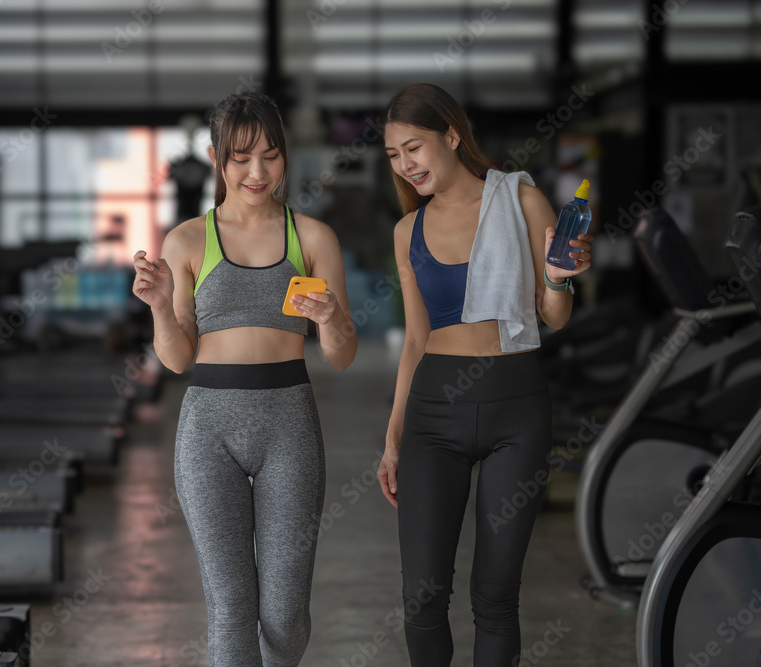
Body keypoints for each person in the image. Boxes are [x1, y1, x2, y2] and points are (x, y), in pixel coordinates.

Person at [132, 91, 357, 666]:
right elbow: (178, 359)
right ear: (216, 158)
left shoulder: (312, 238)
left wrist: (331, 319)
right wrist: (159, 305)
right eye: (241, 158)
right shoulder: (185, 241)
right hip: (209, 428)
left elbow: (341, 355)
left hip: (290, 423)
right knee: (231, 609)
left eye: (271, 156)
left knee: (285, 615)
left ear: (286, 157)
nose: (257, 172)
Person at [375, 83, 593, 666]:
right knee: (422, 598)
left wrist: (560, 275)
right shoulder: (407, 232)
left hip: (515, 408)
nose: (406, 165)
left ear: (451, 134)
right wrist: (394, 437)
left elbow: (554, 314)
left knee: (495, 597)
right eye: (395, 156)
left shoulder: (521, 200)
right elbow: (416, 341)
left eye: (414, 148)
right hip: (433, 414)